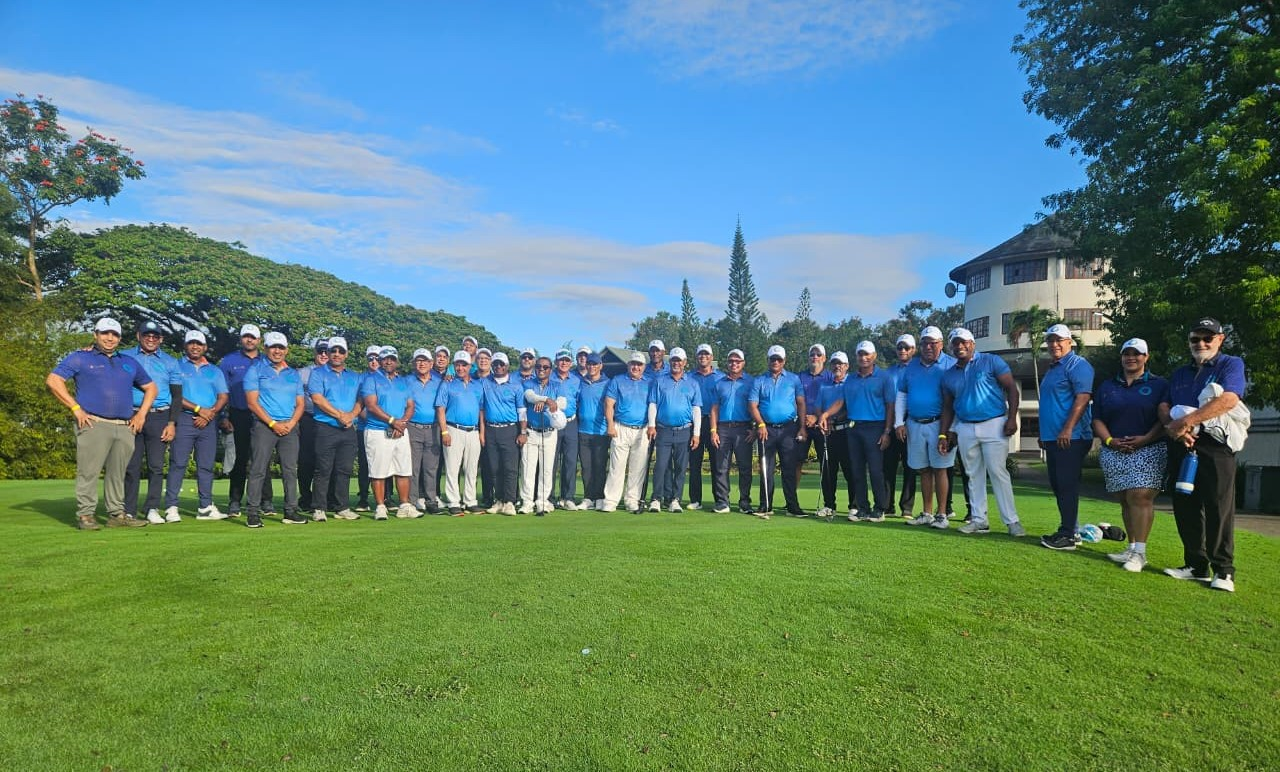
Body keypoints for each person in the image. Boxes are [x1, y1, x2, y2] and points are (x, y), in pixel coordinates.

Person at [1162, 317, 1248, 592]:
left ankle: (1223, 570)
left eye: (1207, 338)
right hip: (1182, 444)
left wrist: (1188, 421)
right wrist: (1175, 429)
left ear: (1220, 339)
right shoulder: (1180, 373)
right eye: (1195, 339)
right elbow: (1164, 405)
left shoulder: (1230, 364)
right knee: (1185, 505)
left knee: (1218, 507)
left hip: (1215, 446)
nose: (1201, 343)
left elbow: (1229, 399)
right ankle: (1196, 565)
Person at [46, 317, 156, 530]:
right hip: (94, 423)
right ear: (95, 335)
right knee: (88, 472)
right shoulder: (80, 357)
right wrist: (75, 408)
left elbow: (151, 387)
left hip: (125, 426)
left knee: (118, 473)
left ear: (120, 338)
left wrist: (141, 414)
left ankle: (117, 515)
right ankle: (86, 515)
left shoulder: (128, 362)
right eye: (105, 333)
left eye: (114, 334)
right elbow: (54, 380)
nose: (110, 338)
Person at [1091, 338, 1170, 573]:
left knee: (1140, 496)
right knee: (1125, 498)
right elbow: (1097, 419)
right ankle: (1132, 547)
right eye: (1127, 353)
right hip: (1114, 449)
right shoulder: (1108, 386)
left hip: (1149, 448)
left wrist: (1145, 439)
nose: (1131, 358)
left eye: (1137, 354)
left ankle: (1140, 554)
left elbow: (1165, 419)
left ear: (1146, 357)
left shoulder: (1159, 384)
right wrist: (1110, 441)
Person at [938, 328, 1025, 536]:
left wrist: (1012, 418)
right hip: (965, 427)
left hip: (994, 423)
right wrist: (944, 434)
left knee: (997, 472)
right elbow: (948, 407)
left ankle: (1012, 521)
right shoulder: (948, 375)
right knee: (973, 475)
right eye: (955, 343)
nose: (959, 346)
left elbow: (1011, 389)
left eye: (963, 342)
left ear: (972, 344)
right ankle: (979, 520)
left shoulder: (991, 361)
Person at [817, 341, 894, 521]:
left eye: (867, 354)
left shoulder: (884, 377)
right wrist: (825, 415)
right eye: (860, 354)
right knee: (857, 471)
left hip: (875, 427)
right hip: (854, 428)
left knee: (875, 470)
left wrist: (887, 431)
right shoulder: (851, 379)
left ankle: (879, 509)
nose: (863, 357)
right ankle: (863, 508)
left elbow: (890, 406)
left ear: (874, 356)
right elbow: (841, 402)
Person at [1038, 324, 1096, 551]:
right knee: (1059, 485)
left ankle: (1068, 535)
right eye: (1050, 340)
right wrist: (1045, 434)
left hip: (1072, 437)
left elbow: (1083, 398)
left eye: (1059, 340)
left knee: (1066, 485)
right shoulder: (1053, 368)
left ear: (1069, 342)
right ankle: (1072, 530)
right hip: (1054, 438)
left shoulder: (1077, 365)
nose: (1054, 344)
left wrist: (1068, 429)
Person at [896, 327, 957, 530]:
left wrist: (951, 429)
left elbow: (956, 398)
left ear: (941, 344)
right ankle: (927, 513)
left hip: (939, 424)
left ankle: (942, 514)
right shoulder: (912, 365)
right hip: (915, 423)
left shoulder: (951, 364)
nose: (928, 347)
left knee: (940, 468)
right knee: (923, 469)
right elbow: (902, 395)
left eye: (933, 343)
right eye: (925, 343)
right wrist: (899, 422)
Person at [165, 330, 229, 521]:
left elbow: (223, 396)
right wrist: (199, 409)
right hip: (184, 419)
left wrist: (210, 413)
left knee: (206, 465)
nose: (195, 347)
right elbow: (175, 395)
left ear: (205, 347)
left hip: (209, 422)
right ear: (185, 346)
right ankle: (171, 507)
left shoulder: (215, 370)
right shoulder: (176, 366)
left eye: (199, 344)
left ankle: (205, 507)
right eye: (191, 343)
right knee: (178, 463)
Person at [123, 320, 182, 524]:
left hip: (159, 416)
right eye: (146, 335)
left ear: (161, 339)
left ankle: (152, 508)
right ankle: (129, 509)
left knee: (156, 466)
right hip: (131, 414)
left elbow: (177, 396)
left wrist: (172, 423)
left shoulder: (170, 362)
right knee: (131, 466)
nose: (150, 339)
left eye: (155, 336)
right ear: (138, 336)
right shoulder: (125, 356)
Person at [243, 332, 304, 528]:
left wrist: (291, 423)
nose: (277, 351)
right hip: (264, 426)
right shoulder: (255, 370)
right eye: (273, 347)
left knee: (290, 470)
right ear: (266, 348)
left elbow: (300, 403)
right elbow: (252, 403)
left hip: (289, 426)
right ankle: (253, 512)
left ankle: (290, 510)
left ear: (286, 350)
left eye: (281, 347)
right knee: (258, 469)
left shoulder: (293, 374)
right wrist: (272, 424)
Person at [360, 346, 421, 521]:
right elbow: (371, 405)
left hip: (400, 431)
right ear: (380, 361)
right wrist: (393, 421)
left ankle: (404, 505)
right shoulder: (371, 379)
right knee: (378, 471)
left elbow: (410, 406)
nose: (388, 362)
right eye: (385, 359)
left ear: (396, 361)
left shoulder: (403, 382)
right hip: (377, 431)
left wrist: (401, 424)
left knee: (403, 469)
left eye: (392, 359)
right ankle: (380, 506)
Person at [219, 324, 274, 516]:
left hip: (263, 416)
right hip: (239, 414)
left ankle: (266, 501)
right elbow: (222, 391)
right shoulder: (229, 361)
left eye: (253, 337)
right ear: (241, 339)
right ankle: (235, 501)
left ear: (259, 340)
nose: (249, 340)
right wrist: (223, 416)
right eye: (246, 336)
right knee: (240, 459)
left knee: (263, 459)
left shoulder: (267, 360)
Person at [307, 336, 364, 521]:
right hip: (326, 426)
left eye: (341, 351)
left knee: (344, 469)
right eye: (333, 351)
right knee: (323, 469)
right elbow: (317, 398)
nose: (337, 354)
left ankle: (342, 507)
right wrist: (340, 415)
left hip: (348, 428)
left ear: (346, 354)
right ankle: (319, 508)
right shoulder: (318, 373)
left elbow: (361, 400)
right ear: (328, 353)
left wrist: (351, 415)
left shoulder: (354, 376)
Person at [749, 345, 806, 517]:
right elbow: (752, 405)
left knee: (789, 469)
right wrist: (760, 424)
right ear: (768, 360)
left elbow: (801, 403)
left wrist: (802, 427)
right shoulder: (759, 380)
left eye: (779, 359)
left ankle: (792, 506)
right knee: (766, 469)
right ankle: (765, 505)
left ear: (784, 361)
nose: (776, 362)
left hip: (789, 429)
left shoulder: (794, 379)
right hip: (767, 430)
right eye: (773, 359)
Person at [647, 347, 702, 512]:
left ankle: (675, 499)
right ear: (669, 362)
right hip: (663, 430)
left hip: (684, 430)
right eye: (673, 360)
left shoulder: (692, 383)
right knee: (661, 466)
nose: (676, 363)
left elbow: (696, 409)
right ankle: (656, 498)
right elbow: (653, 404)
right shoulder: (660, 381)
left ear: (685, 362)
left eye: (679, 360)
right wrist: (651, 425)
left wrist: (696, 434)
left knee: (680, 468)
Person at [436, 350, 486, 515]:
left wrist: (481, 433)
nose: (460, 368)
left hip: (473, 431)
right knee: (452, 468)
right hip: (453, 429)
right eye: (457, 364)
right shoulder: (447, 384)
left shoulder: (477, 385)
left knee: (471, 469)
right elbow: (440, 409)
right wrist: (444, 432)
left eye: (464, 365)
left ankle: (470, 501)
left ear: (470, 366)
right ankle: (453, 502)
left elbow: (481, 410)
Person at [601, 351, 652, 513]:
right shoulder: (618, 380)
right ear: (628, 365)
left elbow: (654, 406)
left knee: (638, 468)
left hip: (642, 429)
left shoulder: (650, 382)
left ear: (644, 367)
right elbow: (609, 404)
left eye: (639, 364)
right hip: (620, 427)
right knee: (616, 466)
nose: (636, 367)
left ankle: (632, 500)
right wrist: (610, 425)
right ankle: (611, 500)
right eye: (633, 364)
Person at [709, 348, 758, 515]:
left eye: (737, 361)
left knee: (745, 467)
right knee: (721, 467)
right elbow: (714, 409)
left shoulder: (751, 382)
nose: (734, 364)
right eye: (731, 361)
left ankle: (745, 502)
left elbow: (756, 407)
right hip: (723, 428)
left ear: (743, 363)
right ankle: (723, 502)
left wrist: (755, 429)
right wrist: (713, 430)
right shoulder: (719, 383)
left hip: (744, 428)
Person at [480, 351, 527, 515]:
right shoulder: (485, 383)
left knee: (510, 468)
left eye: (501, 364)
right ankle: (498, 500)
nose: (498, 366)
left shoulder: (516, 385)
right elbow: (481, 408)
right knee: (494, 468)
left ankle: (510, 501)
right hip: (491, 429)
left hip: (510, 429)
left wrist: (523, 432)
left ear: (507, 366)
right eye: (495, 364)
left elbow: (522, 411)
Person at [813, 351, 855, 519]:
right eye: (834, 363)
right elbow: (817, 407)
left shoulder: (851, 383)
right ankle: (829, 505)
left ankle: (854, 506)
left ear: (847, 366)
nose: (837, 366)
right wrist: (822, 419)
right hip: (828, 432)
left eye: (840, 363)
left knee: (850, 470)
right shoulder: (824, 385)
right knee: (828, 471)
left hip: (846, 431)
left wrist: (831, 418)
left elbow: (847, 406)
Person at [521, 356, 565, 514]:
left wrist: (547, 402)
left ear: (550, 370)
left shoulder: (557, 385)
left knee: (546, 470)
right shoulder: (528, 383)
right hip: (531, 431)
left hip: (549, 433)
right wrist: (546, 400)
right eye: (539, 366)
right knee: (528, 469)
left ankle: (542, 501)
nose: (541, 369)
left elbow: (562, 403)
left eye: (545, 367)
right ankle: (527, 502)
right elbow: (530, 397)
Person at [406, 348, 445, 514]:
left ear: (431, 363)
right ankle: (412, 501)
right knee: (413, 468)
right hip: (412, 427)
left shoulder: (440, 382)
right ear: (414, 363)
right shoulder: (407, 381)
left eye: (425, 361)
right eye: (418, 360)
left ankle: (431, 500)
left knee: (431, 468)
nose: (421, 364)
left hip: (433, 428)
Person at [884, 334, 918, 517]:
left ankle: (907, 506)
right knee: (888, 465)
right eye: (899, 347)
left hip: (911, 419)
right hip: (890, 420)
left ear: (913, 349)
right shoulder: (889, 372)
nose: (902, 351)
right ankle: (887, 505)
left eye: (906, 347)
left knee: (910, 466)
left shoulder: (918, 369)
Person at [686, 344, 723, 510]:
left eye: (706, 354)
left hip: (714, 423)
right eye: (700, 354)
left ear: (712, 357)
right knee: (695, 464)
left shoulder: (721, 377)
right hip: (695, 423)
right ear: (696, 357)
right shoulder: (688, 377)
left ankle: (719, 499)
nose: (703, 357)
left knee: (717, 464)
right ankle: (695, 500)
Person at [296, 340, 330, 513]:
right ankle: (305, 497)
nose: (323, 354)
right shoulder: (303, 373)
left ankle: (326, 499)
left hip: (330, 420)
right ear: (315, 353)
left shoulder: (336, 374)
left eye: (326, 351)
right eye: (320, 351)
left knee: (327, 461)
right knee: (306, 460)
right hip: (308, 419)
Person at [796, 343, 833, 492]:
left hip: (823, 426)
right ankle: (792, 500)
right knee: (796, 461)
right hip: (802, 426)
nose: (815, 357)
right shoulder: (800, 377)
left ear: (824, 358)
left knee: (826, 464)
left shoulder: (830, 377)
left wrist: (817, 418)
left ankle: (828, 501)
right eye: (812, 354)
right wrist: (804, 420)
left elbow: (834, 401)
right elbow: (796, 401)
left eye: (818, 354)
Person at [576, 353, 610, 509]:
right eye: (589, 364)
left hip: (601, 432)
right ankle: (588, 497)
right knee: (586, 467)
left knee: (599, 466)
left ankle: (600, 497)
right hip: (583, 431)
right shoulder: (581, 383)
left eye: (595, 364)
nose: (592, 367)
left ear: (600, 365)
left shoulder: (607, 383)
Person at [551, 349, 583, 510]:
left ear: (571, 363)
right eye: (561, 360)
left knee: (570, 461)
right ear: (556, 362)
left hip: (571, 422)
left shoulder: (576, 380)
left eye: (567, 360)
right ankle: (549, 497)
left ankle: (567, 497)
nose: (564, 363)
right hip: (552, 423)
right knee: (551, 461)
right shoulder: (549, 377)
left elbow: (578, 401)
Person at [353, 344, 382, 511]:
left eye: (377, 358)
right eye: (370, 358)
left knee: (386, 464)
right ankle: (363, 498)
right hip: (365, 427)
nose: (374, 361)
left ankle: (386, 497)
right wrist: (373, 417)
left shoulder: (389, 377)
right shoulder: (360, 379)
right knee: (365, 464)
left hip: (385, 427)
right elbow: (358, 404)